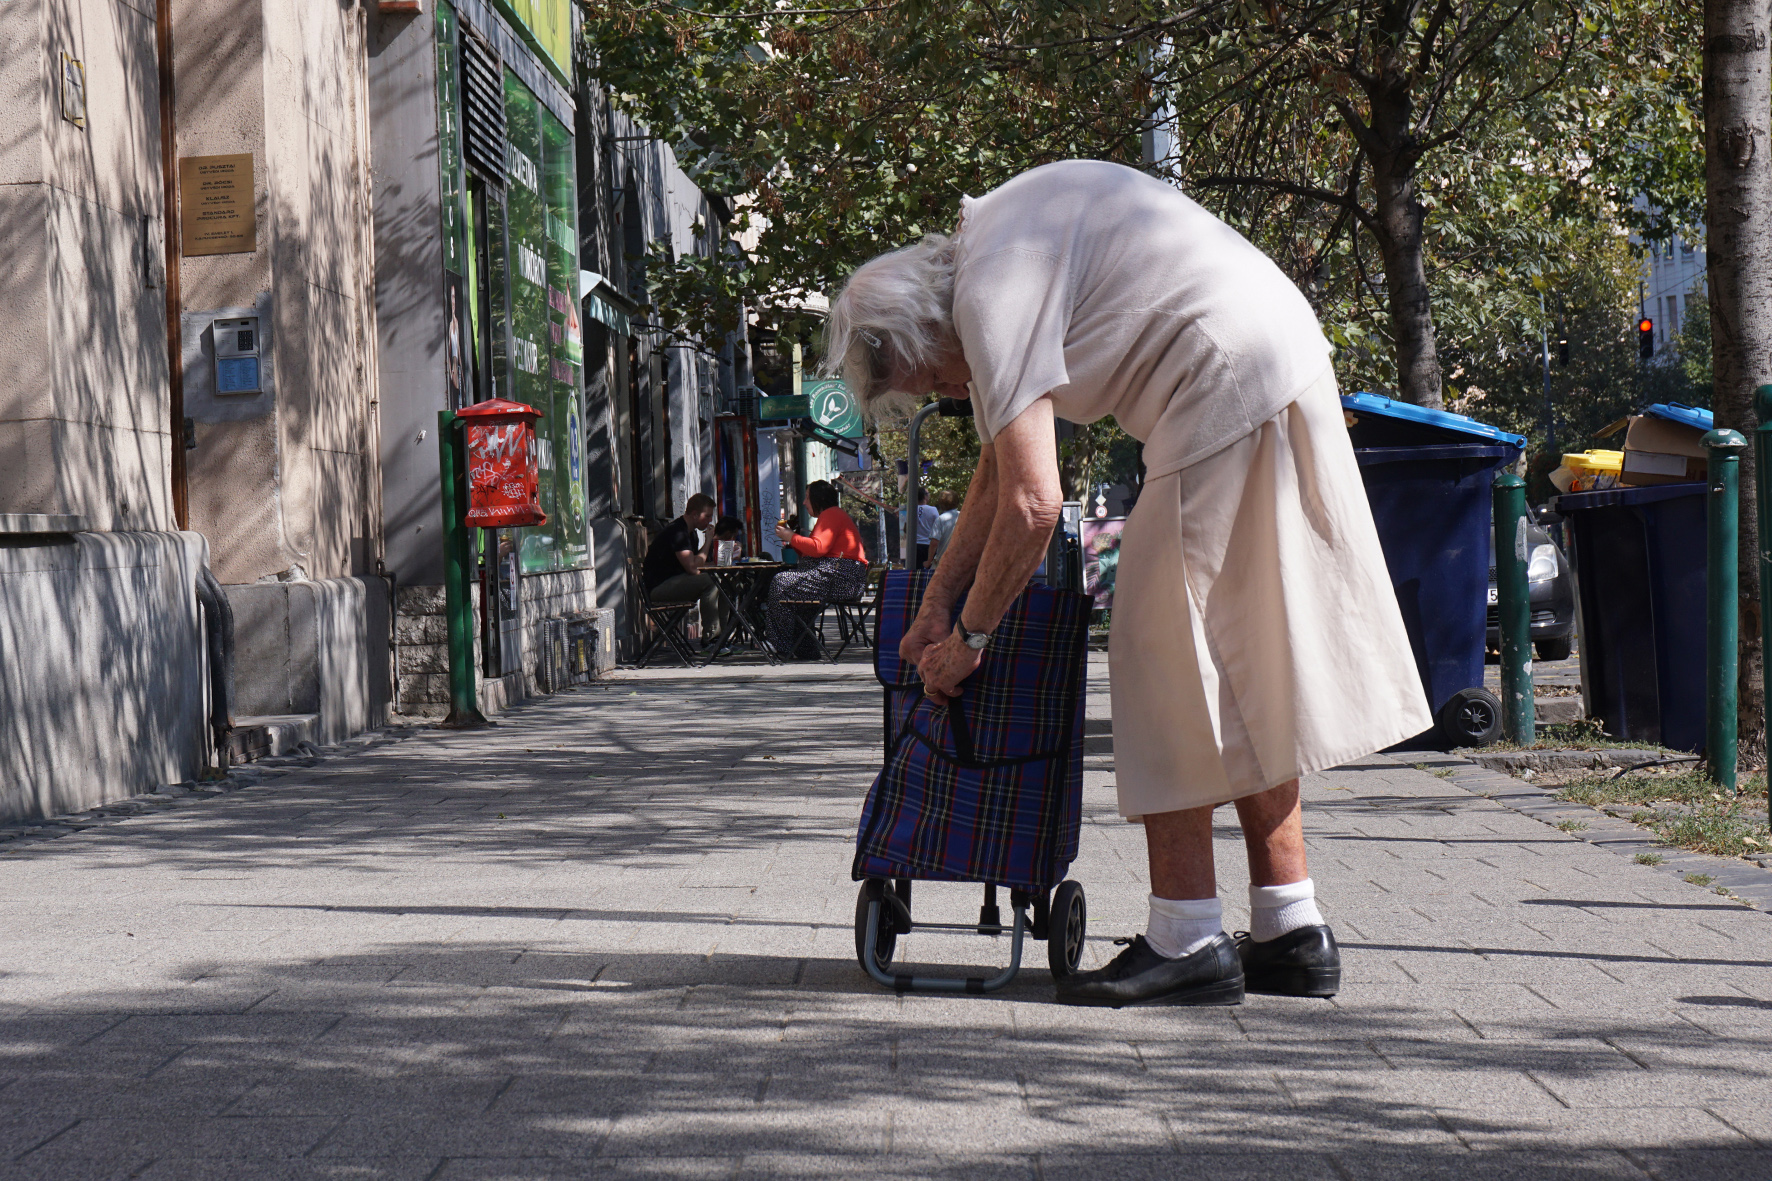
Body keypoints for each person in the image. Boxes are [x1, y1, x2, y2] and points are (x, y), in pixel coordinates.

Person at [826, 160, 1431, 1007]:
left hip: (1220, 386)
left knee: (1159, 658)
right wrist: (935, 602)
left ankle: (1185, 934)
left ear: (918, 331)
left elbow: (1036, 504)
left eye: (935, 380)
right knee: (1242, 665)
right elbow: (1000, 474)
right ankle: (1291, 925)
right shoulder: (998, 245)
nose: (954, 392)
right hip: (1272, 356)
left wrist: (970, 638)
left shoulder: (988, 294)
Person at [767, 480, 868, 658]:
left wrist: (791, 536)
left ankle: (780, 645)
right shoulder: (833, 515)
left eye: (807, 497)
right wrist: (793, 539)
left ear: (818, 499)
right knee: (800, 601)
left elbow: (817, 548)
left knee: (781, 582)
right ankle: (805, 649)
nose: (804, 503)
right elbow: (812, 553)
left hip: (840, 578)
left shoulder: (831, 515)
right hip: (845, 579)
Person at [642, 493, 719, 624]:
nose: (710, 520)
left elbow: (696, 562)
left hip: (674, 581)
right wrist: (708, 542)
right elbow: (693, 569)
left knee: (720, 579)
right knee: (710, 581)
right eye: (707, 516)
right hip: (659, 588)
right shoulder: (678, 532)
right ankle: (712, 637)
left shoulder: (691, 533)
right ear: (695, 514)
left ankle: (722, 635)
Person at [899, 487, 939, 568]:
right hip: (928, 546)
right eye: (928, 494)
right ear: (925, 496)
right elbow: (938, 528)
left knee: (915, 571)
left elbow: (906, 529)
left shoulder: (911, 510)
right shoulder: (933, 510)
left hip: (914, 546)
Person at [928, 490, 960, 567]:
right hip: (960, 561)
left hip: (943, 562)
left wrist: (929, 561)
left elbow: (934, 542)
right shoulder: (963, 516)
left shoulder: (940, 519)